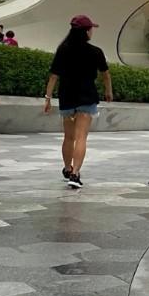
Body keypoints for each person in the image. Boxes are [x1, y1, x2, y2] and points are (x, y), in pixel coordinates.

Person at [43, 14, 114, 187]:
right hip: (87, 96)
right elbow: (105, 74)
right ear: (87, 31)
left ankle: (68, 168)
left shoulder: (63, 49)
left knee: (69, 137)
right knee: (81, 137)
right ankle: (75, 174)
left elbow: (54, 76)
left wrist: (48, 98)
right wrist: (108, 91)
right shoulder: (95, 51)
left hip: (67, 96)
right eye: (91, 29)